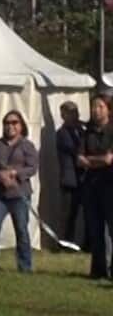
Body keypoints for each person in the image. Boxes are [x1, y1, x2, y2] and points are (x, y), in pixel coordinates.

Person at [0, 110, 37, 273]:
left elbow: (32, 167)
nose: (10, 126)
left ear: (21, 126)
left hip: (20, 194)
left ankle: (25, 266)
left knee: (22, 230)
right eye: (7, 123)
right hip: (0, 195)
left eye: (14, 123)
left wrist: (15, 173)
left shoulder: (27, 145)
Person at [79, 93, 113, 279]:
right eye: (94, 106)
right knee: (95, 227)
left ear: (108, 109)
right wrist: (98, 160)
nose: (96, 110)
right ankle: (98, 269)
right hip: (91, 185)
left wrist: (91, 160)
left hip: (109, 184)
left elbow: (109, 160)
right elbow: (79, 158)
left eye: (100, 106)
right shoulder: (88, 132)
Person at [55, 101, 85, 247]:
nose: (75, 115)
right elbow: (75, 150)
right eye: (70, 112)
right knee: (69, 215)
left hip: (84, 178)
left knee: (88, 214)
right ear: (63, 115)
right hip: (70, 179)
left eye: (76, 111)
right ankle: (65, 244)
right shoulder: (62, 133)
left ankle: (88, 244)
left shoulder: (82, 130)